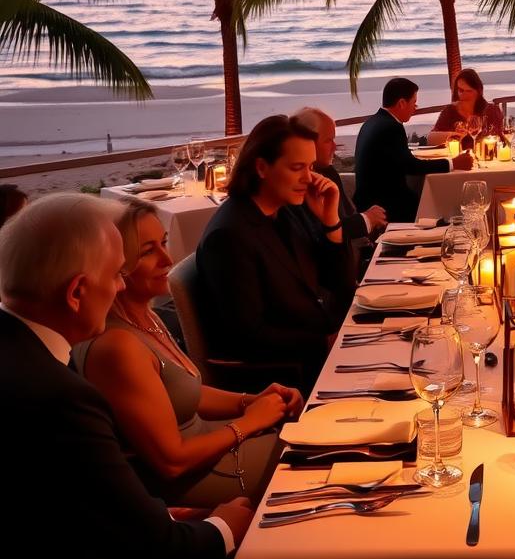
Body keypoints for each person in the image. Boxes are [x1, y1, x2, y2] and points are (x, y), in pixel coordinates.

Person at [0, 193, 251, 559]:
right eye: (116, 274)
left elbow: (83, 499)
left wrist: (158, 515)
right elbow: (160, 550)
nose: (120, 288)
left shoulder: (23, 349)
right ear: (77, 292)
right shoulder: (59, 397)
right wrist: (227, 526)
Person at [74, 200, 298, 505]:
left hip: (216, 450)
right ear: (114, 263)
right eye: (147, 251)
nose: (167, 258)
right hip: (197, 479)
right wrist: (250, 422)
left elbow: (184, 392)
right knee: (318, 460)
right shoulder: (118, 346)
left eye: (164, 243)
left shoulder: (145, 315)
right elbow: (172, 463)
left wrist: (250, 400)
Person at [196, 115, 358, 391]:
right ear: (261, 167)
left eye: (310, 167)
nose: (308, 179)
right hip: (287, 378)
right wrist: (325, 341)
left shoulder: (284, 211)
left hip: (322, 353)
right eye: (297, 168)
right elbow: (248, 336)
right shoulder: (230, 235)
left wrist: (330, 220)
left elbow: (339, 284)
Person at [355, 78, 473, 222]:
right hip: (384, 205)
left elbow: (400, 161)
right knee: (441, 208)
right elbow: (411, 166)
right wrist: (453, 164)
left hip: (367, 198)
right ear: (402, 103)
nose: (415, 108)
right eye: (414, 102)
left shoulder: (371, 122)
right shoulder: (391, 127)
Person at [294, 107, 387, 268]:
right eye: (328, 140)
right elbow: (322, 234)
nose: (335, 147)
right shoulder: (298, 189)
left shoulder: (328, 172)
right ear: (307, 142)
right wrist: (366, 219)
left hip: (351, 262)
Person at [429, 68, 505, 142]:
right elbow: (431, 138)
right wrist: (455, 135)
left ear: (478, 91)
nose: (463, 95)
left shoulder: (492, 111)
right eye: (460, 90)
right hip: (456, 154)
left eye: (469, 91)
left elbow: (500, 139)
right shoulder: (450, 111)